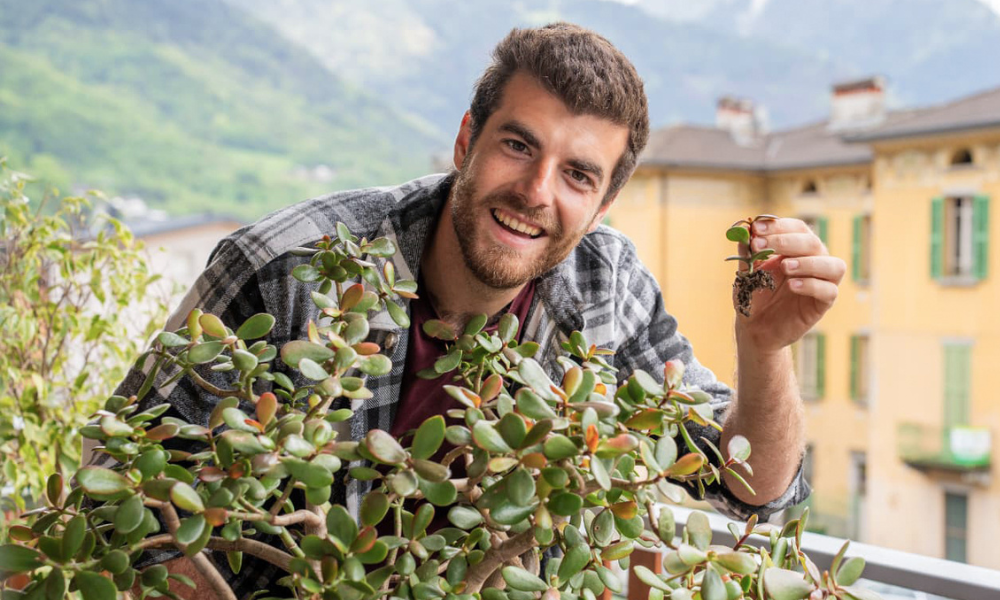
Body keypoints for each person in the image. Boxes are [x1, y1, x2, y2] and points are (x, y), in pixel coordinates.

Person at [99, 22, 845, 599]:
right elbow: (117, 489)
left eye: (578, 175)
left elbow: (756, 491)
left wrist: (766, 346)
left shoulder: (604, 284)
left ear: (604, 204)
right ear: (465, 141)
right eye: (518, 145)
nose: (536, 191)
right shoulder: (288, 272)